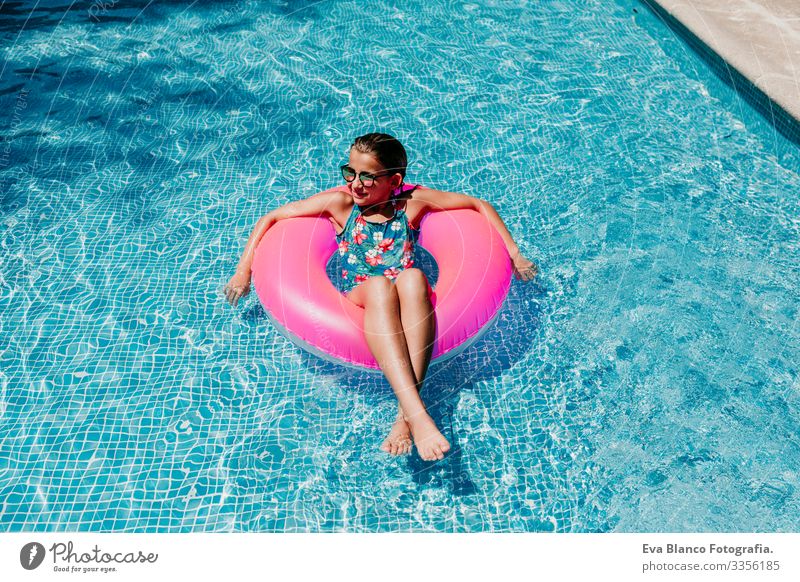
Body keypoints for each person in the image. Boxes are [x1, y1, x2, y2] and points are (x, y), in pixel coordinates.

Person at [225, 133, 538, 461]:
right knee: (379, 286)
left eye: (367, 177)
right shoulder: (341, 205)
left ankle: (405, 417)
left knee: (414, 277)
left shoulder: (412, 204)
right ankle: (416, 416)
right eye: (350, 173)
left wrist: (515, 255)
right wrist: (243, 270)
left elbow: (477, 205)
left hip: (403, 290)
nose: (355, 184)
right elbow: (271, 217)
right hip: (363, 293)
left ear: (394, 180)